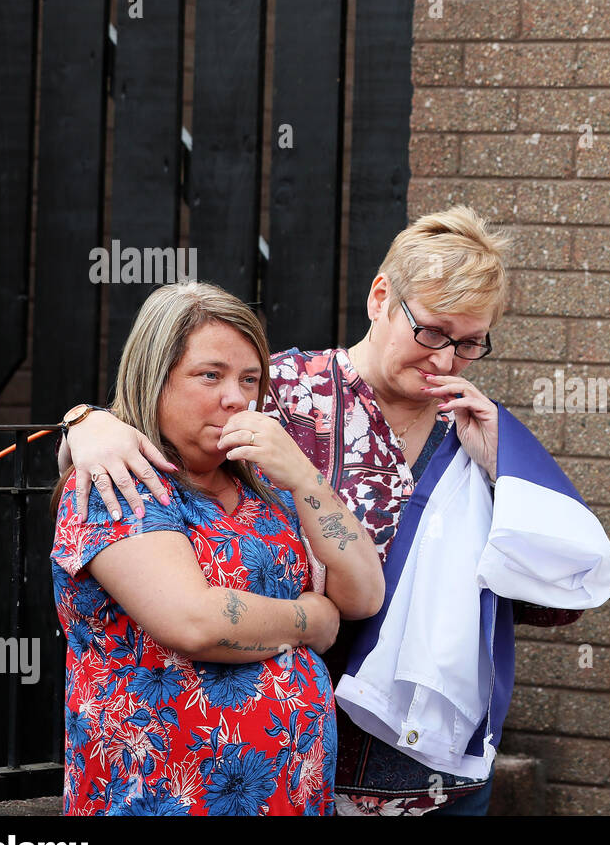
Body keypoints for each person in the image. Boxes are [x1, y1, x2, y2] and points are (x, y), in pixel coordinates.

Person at [58, 207, 610, 815]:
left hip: (435, 766)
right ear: (381, 297)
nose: (446, 361)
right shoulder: (285, 392)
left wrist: (502, 469)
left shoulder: (477, 432)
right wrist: (84, 423)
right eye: (430, 332)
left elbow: (560, 598)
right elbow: (156, 414)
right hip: (303, 763)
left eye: (470, 342)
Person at [50, 281, 383, 815]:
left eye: (249, 379)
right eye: (211, 375)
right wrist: (312, 619)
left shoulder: (263, 487)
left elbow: (364, 594)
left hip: (287, 794)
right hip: (162, 793)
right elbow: (196, 623)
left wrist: (305, 479)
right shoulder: (119, 481)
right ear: (155, 377)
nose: (236, 397)